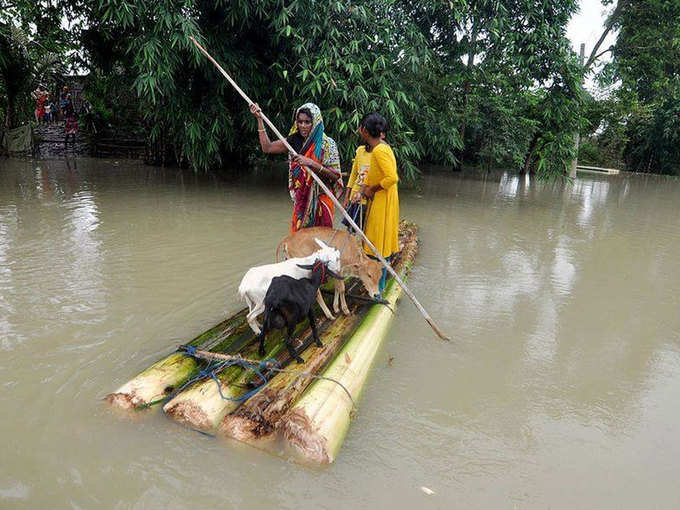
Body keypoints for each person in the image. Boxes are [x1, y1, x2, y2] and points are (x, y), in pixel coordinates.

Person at [250, 102, 343, 232]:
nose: (303, 126)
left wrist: (311, 163)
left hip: (322, 199)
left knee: (322, 242)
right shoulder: (294, 141)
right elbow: (267, 147)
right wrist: (259, 119)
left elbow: (335, 176)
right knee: (300, 241)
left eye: (307, 122)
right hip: (302, 200)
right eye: (300, 122)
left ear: (315, 122)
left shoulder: (327, 144)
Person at [359, 113, 400, 294]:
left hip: (382, 201)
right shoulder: (384, 147)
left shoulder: (379, 150)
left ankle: (378, 288)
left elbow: (392, 177)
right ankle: (377, 284)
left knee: (377, 244)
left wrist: (371, 189)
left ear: (365, 131)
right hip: (384, 200)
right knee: (378, 241)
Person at [342, 115, 388, 233]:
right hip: (355, 197)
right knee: (351, 231)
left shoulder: (380, 153)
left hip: (369, 198)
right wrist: (347, 197)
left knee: (368, 231)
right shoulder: (360, 151)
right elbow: (353, 175)